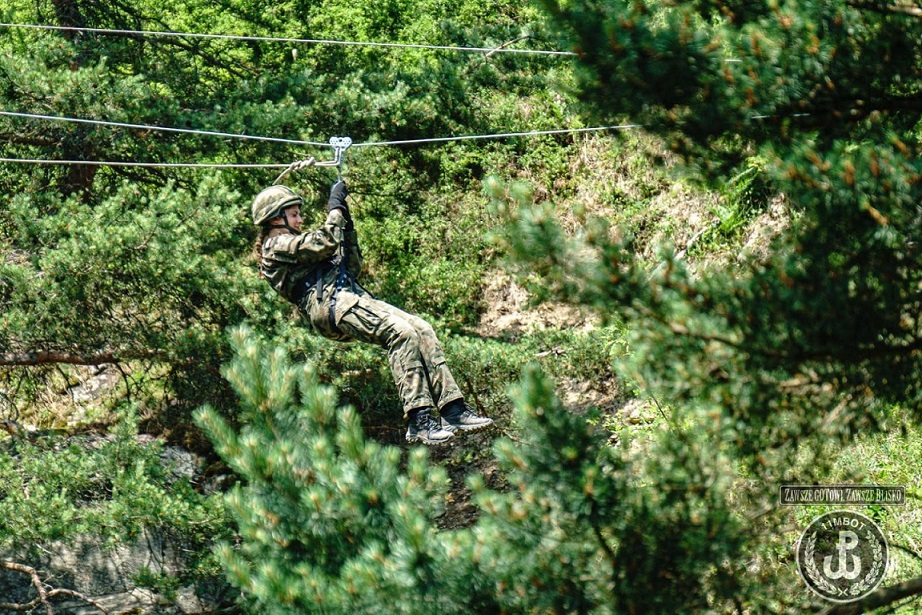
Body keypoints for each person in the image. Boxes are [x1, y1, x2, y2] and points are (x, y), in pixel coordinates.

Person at [251, 180, 494, 445]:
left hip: (346, 295)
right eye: (294, 214)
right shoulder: (275, 246)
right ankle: (419, 419)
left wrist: (348, 227)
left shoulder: (295, 246)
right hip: (331, 304)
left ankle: (453, 408)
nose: (300, 220)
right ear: (275, 218)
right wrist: (335, 209)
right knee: (401, 333)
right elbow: (325, 241)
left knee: (421, 328)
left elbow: (351, 267)